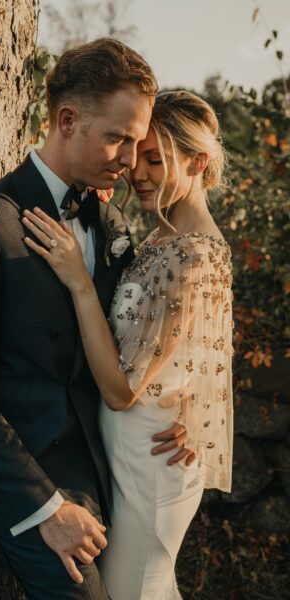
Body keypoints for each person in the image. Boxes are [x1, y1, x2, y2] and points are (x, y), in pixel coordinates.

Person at [0, 38, 188, 599]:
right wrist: (45, 507)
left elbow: (138, 344)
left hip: (113, 465)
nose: (131, 161)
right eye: (118, 138)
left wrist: (179, 413)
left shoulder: (110, 225)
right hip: (27, 475)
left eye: (137, 143)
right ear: (67, 121)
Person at [23, 89, 234, 599]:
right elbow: (199, 347)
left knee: (135, 590)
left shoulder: (192, 257)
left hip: (152, 460)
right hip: (128, 449)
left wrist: (78, 281)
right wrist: (194, 404)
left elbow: (121, 391)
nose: (137, 173)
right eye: (137, 157)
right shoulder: (161, 238)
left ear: (199, 161)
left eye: (156, 160)